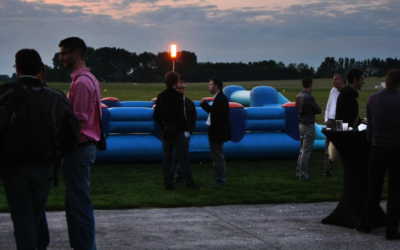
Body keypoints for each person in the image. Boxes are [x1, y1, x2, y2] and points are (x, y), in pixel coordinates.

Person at [0, 49, 79, 249]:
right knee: (36, 213)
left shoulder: (7, 93)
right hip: (45, 167)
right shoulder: (56, 96)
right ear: (41, 72)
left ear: (17, 69)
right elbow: (72, 132)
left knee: (24, 218)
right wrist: (58, 155)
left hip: (14, 168)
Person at [59, 37, 101, 250]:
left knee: (80, 205)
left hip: (79, 149)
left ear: (75, 53)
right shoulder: (89, 79)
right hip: (83, 149)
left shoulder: (82, 82)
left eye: (64, 53)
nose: (61, 57)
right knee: (74, 203)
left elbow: (79, 122)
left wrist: (63, 148)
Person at [353, 69, 400, 240]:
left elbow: (369, 128)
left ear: (386, 81)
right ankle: (392, 229)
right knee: (395, 192)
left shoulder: (373, 99)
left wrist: (372, 143)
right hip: (397, 149)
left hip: (378, 149)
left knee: (373, 189)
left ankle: (366, 222)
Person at [153, 72, 199, 190]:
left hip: (165, 132)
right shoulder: (178, 97)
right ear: (175, 82)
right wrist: (184, 129)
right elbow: (180, 116)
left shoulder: (161, 95)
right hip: (177, 132)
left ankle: (168, 183)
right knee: (184, 158)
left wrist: (163, 126)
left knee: (167, 158)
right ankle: (189, 183)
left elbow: (156, 115)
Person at [200, 77, 231, 187]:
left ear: (216, 86)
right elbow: (214, 113)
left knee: (218, 157)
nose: (209, 86)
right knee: (217, 157)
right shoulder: (219, 98)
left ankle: (220, 181)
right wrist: (204, 105)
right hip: (216, 132)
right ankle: (218, 180)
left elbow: (218, 117)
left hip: (217, 133)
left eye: (211, 84)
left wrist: (212, 130)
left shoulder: (221, 99)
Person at [295, 77, 321, 180]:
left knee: (302, 150)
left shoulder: (298, 96)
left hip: (301, 125)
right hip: (309, 125)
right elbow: (318, 110)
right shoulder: (308, 97)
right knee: (306, 151)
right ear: (311, 85)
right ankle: (303, 174)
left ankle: (299, 171)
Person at [171, 80, 197, 183]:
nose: (182, 90)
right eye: (179, 88)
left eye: (183, 88)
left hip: (185, 134)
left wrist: (190, 130)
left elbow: (193, 117)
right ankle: (170, 178)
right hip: (174, 134)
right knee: (172, 157)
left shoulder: (189, 102)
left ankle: (180, 177)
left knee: (183, 157)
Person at [323, 73, 346, 177]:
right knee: (327, 144)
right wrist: (326, 119)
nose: (334, 81)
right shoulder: (333, 91)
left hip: (342, 122)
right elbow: (329, 105)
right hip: (331, 121)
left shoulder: (347, 92)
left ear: (342, 81)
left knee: (344, 144)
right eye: (334, 79)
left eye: (336, 79)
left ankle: (345, 167)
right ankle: (327, 169)